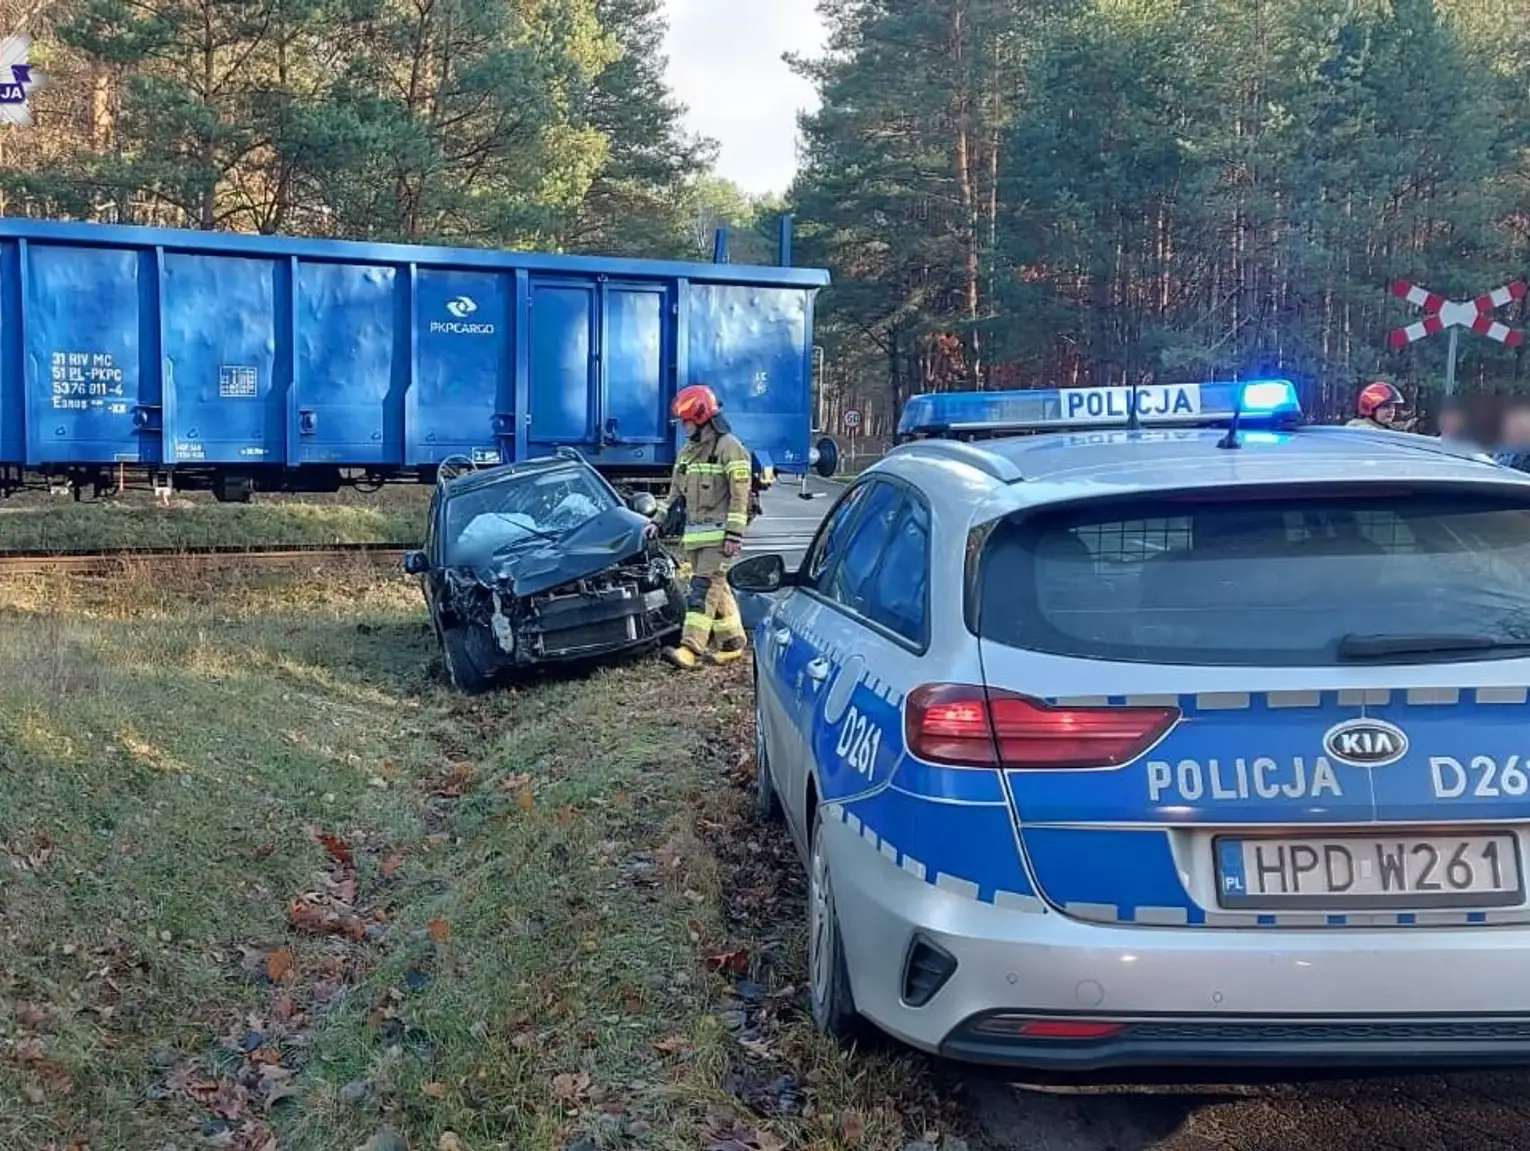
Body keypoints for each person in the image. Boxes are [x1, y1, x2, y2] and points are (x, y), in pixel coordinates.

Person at [653, 384, 753, 669]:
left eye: (686, 421)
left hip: (721, 537)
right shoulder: (687, 452)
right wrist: (656, 521)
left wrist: (735, 534)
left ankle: (690, 648)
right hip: (696, 537)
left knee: (702, 589)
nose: (683, 427)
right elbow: (674, 493)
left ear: (700, 417)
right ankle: (734, 642)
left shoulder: (729, 447)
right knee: (716, 589)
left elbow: (740, 494)